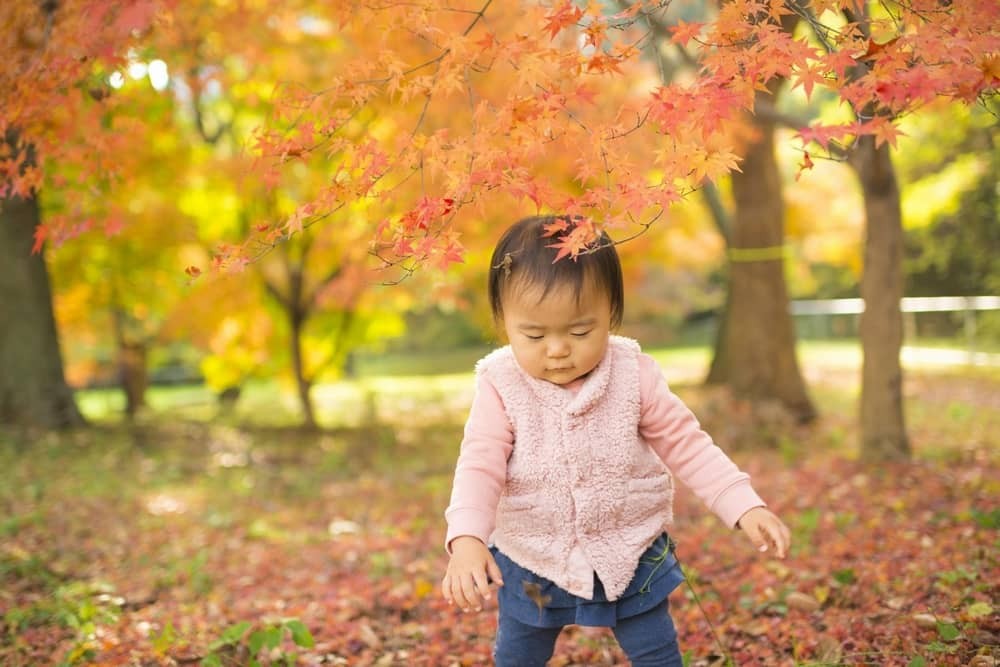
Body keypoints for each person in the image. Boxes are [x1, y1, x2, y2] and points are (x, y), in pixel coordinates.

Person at [442, 215, 791, 666]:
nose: (557, 349)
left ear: (611, 314)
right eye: (533, 334)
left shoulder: (633, 374)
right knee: (519, 651)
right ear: (503, 322)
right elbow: (479, 464)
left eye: (579, 331)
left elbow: (686, 443)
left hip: (629, 544)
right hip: (533, 551)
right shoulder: (500, 383)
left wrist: (743, 504)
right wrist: (467, 537)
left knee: (655, 648)